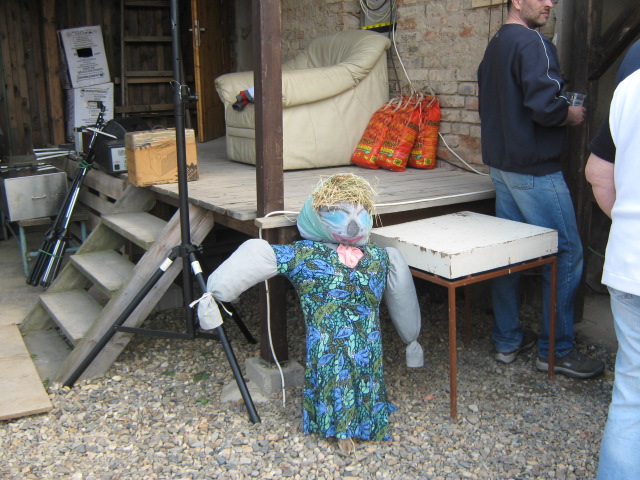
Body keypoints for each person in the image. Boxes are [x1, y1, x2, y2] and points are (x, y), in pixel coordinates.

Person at [195, 173, 424, 455]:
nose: (353, 223)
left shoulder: (360, 257)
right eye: (339, 212)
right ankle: (351, 427)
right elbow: (260, 256)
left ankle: (351, 423)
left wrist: (411, 336)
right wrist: (215, 293)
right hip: (345, 342)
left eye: (359, 213)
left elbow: (260, 256)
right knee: (347, 374)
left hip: (347, 341)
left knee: (353, 373)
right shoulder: (319, 256)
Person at [476, 0, 604, 377]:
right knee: (566, 252)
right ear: (517, 1)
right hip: (534, 171)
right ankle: (556, 350)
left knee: (510, 254)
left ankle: (508, 340)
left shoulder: (496, 43)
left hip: (502, 168)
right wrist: (571, 113)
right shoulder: (533, 43)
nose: (549, 3)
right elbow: (546, 106)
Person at [585, 39, 640, 480]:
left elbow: (598, 172)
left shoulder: (630, 86)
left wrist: (628, 224)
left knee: (631, 396)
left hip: (629, 263)